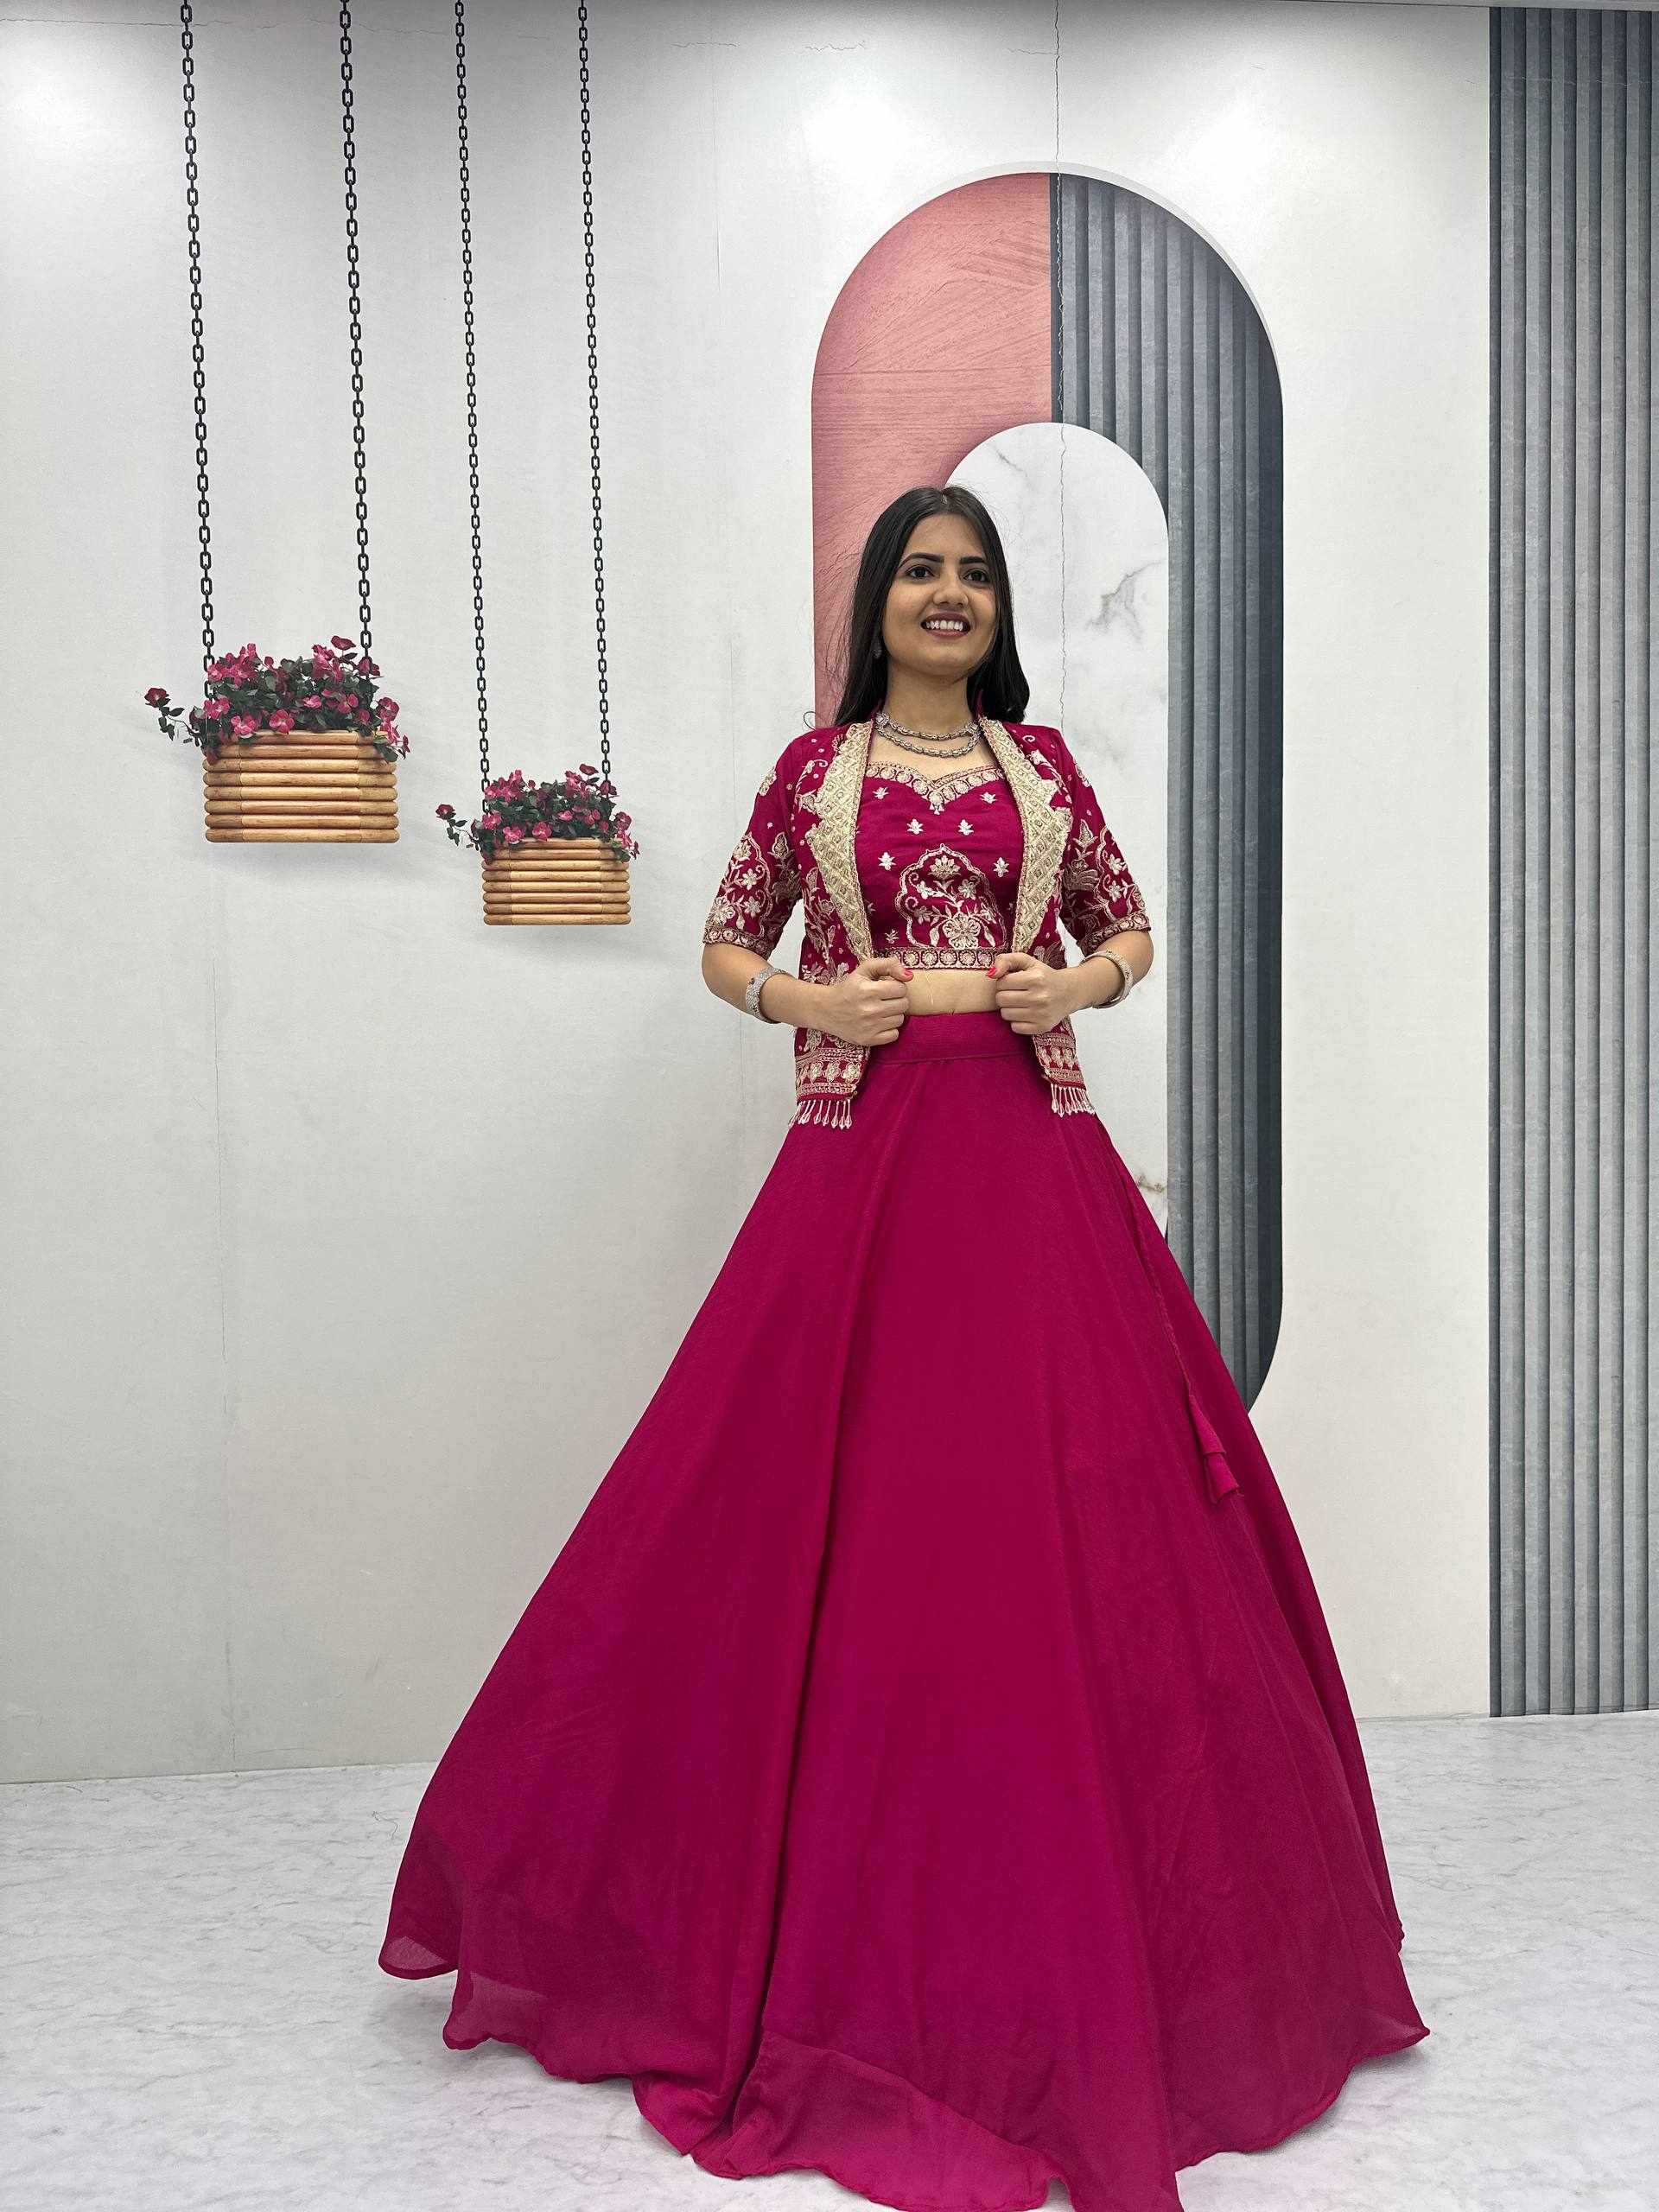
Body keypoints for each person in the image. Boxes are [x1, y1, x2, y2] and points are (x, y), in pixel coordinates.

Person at [378, 484, 1431, 2212]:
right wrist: (809, 1000)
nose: (949, 595)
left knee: (1057, 1518)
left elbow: (1127, 927)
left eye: (975, 575)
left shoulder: (1045, 769)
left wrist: (1075, 990)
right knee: (830, 1509)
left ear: (996, 611)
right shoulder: (816, 773)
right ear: (876, 602)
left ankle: (1114, 1953)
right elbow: (728, 942)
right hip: (861, 1173)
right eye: (922, 572)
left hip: (1029, 1166)